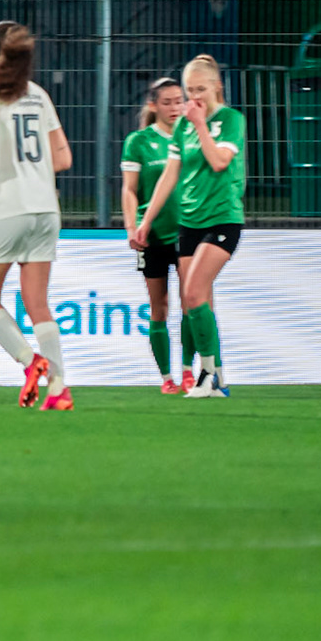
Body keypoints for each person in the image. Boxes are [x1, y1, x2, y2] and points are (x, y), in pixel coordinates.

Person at [0, 22, 76, 412]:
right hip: (46, 208)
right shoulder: (38, 95)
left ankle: (30, 361)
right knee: (38, 303)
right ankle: (60, 388)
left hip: (5, 207)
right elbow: (64, 157)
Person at [133, 54, 246, 398]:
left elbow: (218, 161)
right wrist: (145, 221)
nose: (194, 97)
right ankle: (218, 376)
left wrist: (198, 124)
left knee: (193, 293)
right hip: (190, 222)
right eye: (189, 90)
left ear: (217, 87)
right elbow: (170, 174)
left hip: (222, 219)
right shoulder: (183, 126)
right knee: (197, 302)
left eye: (200, 89)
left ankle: (208, 375)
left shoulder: (230, 120)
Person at [121, 76, 196, 394]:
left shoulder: (193, 137)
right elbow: (129, 189)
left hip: (187, 229)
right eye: (167, 102)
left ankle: (189, 371)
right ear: (153, 106)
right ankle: (167, 378)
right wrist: (131, 225)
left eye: (179, 101)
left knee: (191, 301)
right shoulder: (138, 141)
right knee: (159, 307)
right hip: (151, 234)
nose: (175, 108)